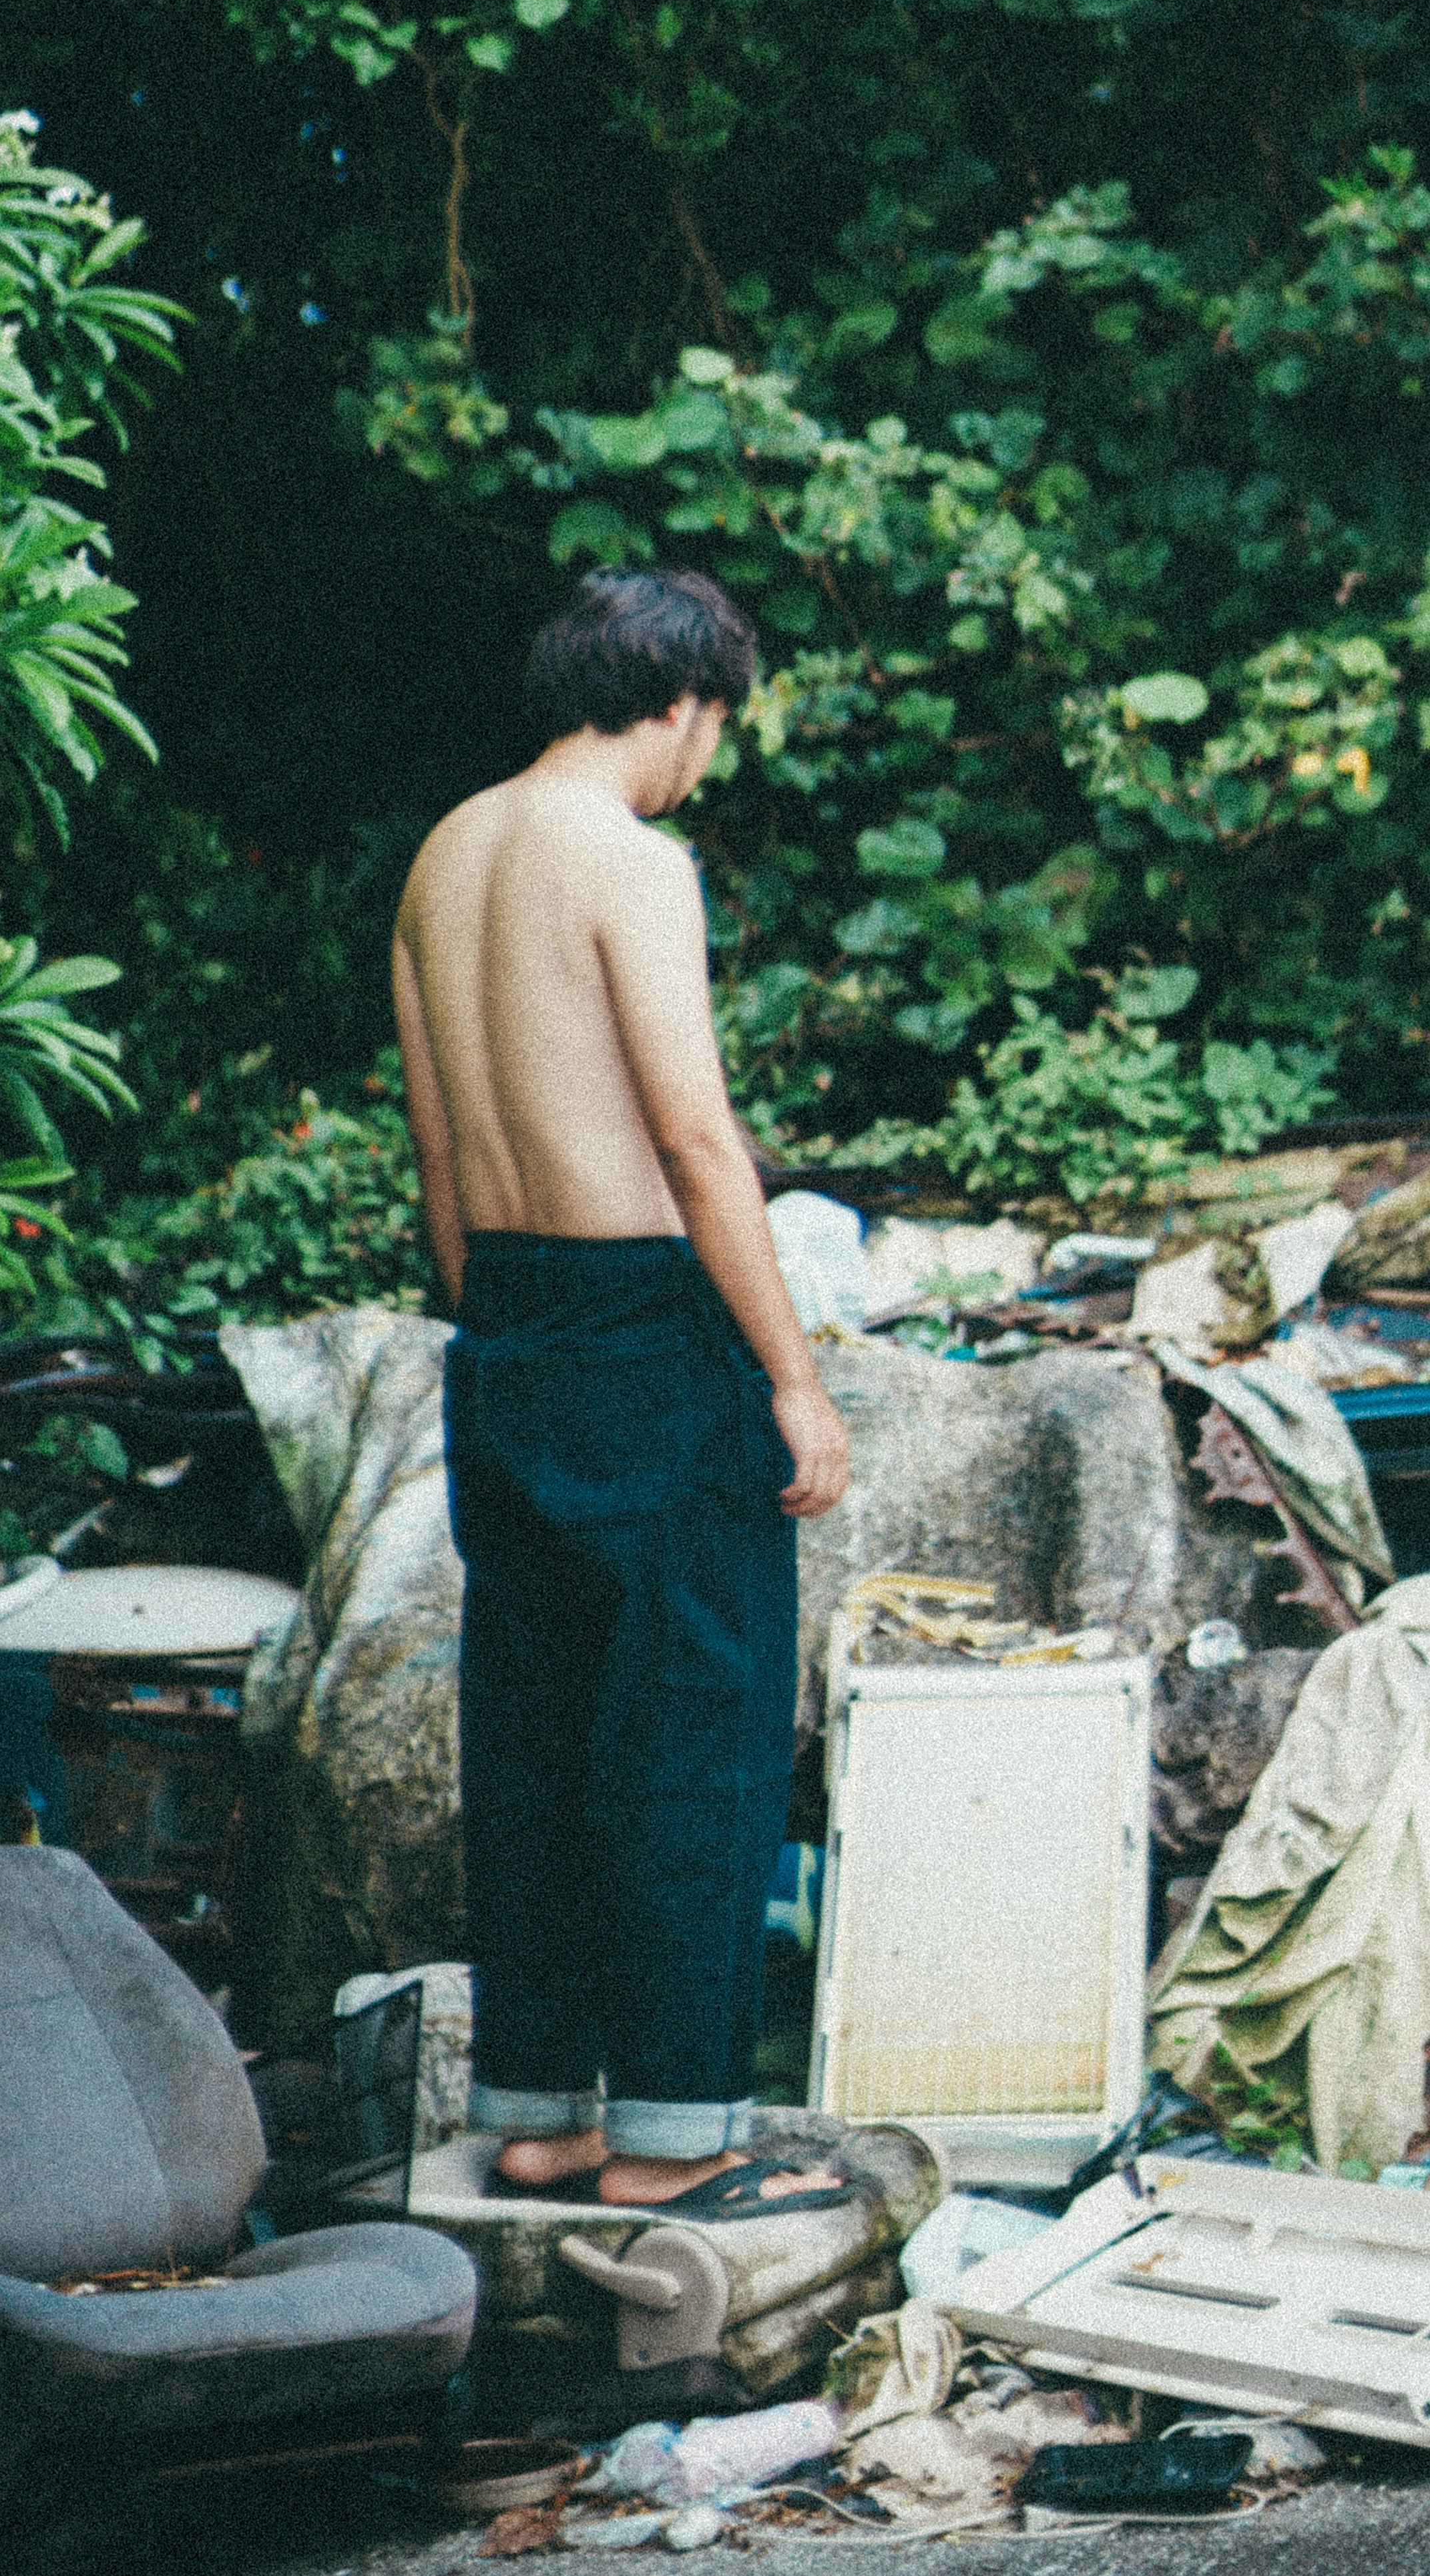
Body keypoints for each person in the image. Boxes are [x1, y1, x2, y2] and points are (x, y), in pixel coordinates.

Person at [392, 567, 855, 2217]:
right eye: (713, 729)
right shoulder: (633, 861)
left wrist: (501, 1327)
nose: (707, 761)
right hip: (646, 1326)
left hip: (504, 1322)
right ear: (682, 705)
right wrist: (793, 1382)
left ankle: (541, 2111)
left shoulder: (447, 856)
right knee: (688, 1728)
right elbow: (694, 1138)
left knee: (533, 1729)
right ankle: (667, 2135)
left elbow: (440, 1151)